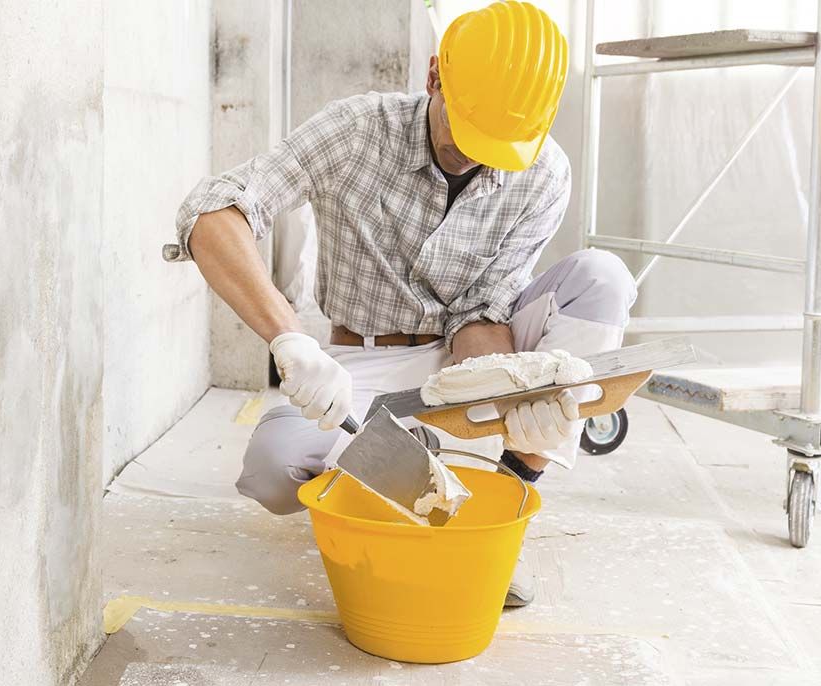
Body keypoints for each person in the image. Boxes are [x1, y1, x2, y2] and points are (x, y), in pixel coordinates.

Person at [165, 1, 636, 606]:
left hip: (471, 342)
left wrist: (510, 393)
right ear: (435, 76)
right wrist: (291, 340)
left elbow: (483, 307)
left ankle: (499, 512)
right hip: (365, 361)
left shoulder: (544, 172)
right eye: (470, 132)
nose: (480, 155)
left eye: (502, 145)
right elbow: (212, 212)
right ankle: (415, 477)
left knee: (604, 276)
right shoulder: (358, 131)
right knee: (273, 471)